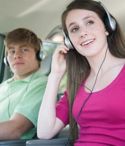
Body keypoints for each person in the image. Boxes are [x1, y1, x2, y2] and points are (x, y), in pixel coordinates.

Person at [37, 0, 125, 145]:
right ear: (69, 42)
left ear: (108, 27)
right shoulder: (76, 84)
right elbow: (45, 132)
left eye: (90, 22)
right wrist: (55, 75)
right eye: (74, 29)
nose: (83, 33)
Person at [0, 28, 47, 140]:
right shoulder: (2, 86)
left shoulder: (42, 85)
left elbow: (15, 129)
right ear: (6, 59)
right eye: (12, 51)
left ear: (39, 55)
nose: (17, 55)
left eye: (24, 49)